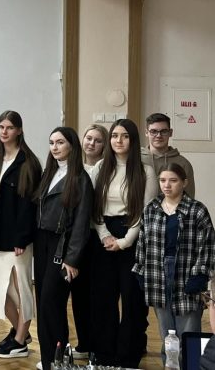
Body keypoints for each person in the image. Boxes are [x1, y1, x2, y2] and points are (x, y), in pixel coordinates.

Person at [89, 118, 157, 367]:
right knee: (103, 298)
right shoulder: (100, 168)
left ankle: (128, 356)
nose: (119, 140)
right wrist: (104, 235)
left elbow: (145, 211)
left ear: (133, 140)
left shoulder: (145, 171)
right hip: (103, 234)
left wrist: (126, 241)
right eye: (115, 136)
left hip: (133, 235)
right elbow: (93, 207)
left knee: (132, 299)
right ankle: (104, 354)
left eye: (125, 136)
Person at [133, 163, 213, 361]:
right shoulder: (151, 209)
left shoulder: (197, 210)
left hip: (187, 272)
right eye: (162, 180)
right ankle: (170, 364)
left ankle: (191, 364)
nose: (167, 185)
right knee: (166, 331)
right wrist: (140, 271)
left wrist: (199, 275)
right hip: (156, 273)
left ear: (184, 183)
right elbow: (142, 242)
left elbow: (208, 245)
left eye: (173, 180)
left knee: (188, 329)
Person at [33, 127, 93, 370]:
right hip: (42, 243)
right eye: (51, 143)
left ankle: (57, 360)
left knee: (52, 302)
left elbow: (81, 223)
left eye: (60, 142)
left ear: (72, 145)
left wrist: (72, 259)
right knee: (43, 302)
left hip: (62, 245)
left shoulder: (80, 178)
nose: (55, 147)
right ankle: (51, 358)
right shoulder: (49, 173)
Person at [0, 110, 41, 359]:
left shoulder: (29, 163)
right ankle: (20, 331)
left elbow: (29, 204)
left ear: (19, 130)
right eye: (1, 127)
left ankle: (19, 341)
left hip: (19, 240)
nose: (4, 131)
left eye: (9, 127)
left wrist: (23, 238)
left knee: (22, 290)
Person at [71, 123, 108, 358]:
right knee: (79, 292)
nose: (91, 143)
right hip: (78, 236)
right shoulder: (75, 168)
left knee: (99, 293)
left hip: (99, 236)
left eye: (98, 140)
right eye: (88, 138)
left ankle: (99, 344)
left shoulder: (106, 169)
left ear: (104, 145)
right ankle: (84, 342)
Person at [141, 112, 195, 197]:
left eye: (164, 131)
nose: (159, 135)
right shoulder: (137, 160)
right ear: (146, 132)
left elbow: (189, 198)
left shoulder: (183, 163)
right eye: (153, 131)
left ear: (170, 132)